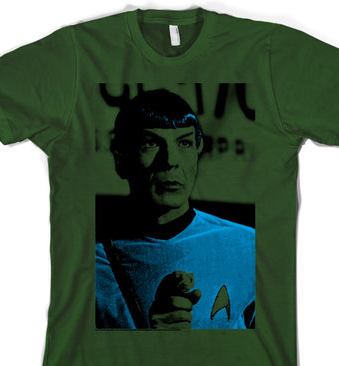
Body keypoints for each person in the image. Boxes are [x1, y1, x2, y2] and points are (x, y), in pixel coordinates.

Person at [95, 88, 255, 330]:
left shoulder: (248, 246)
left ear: (198, 151)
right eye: (150, 143)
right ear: (121, 158)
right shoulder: (92, 265)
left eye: (184, 143)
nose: (170, 160)